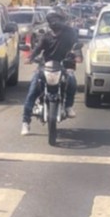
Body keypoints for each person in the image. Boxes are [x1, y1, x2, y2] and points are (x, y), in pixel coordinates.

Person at [21, 9, 81, 137]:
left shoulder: (69, 33)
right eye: (51, 20)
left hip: (64, 66)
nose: (54, 22)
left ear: (62, 20)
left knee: (72, 81)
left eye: (57, 19)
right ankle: (25, 122)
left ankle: (69, 106)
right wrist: (30, 58)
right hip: (46, 66)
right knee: (32, 90)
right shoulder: (46, 36)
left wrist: (77, 55)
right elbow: (37, 49)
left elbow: (76, 45)